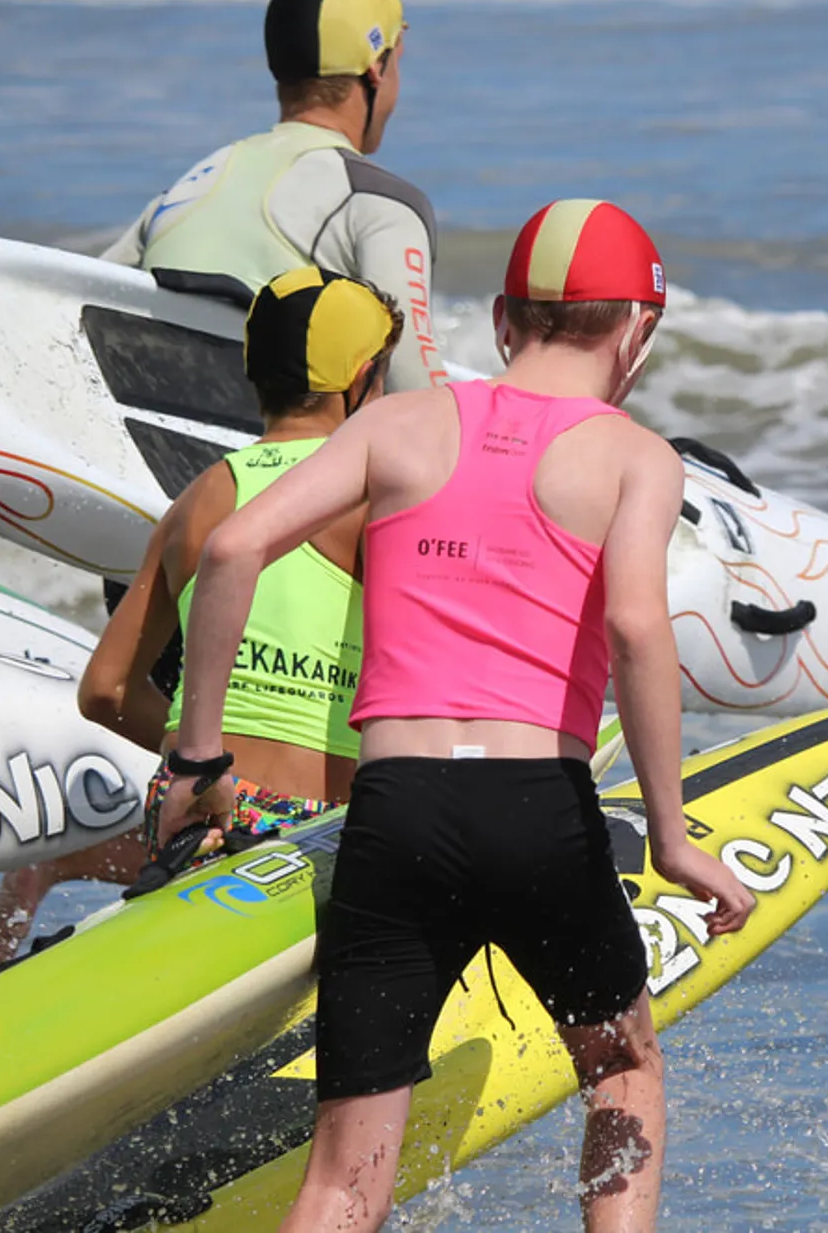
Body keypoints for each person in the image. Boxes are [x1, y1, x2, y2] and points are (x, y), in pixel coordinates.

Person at [166, 199, 754, 1233]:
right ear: (639, 331)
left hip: (397, 809)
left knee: (347, 1174)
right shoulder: (633, 457)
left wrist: (196, 756)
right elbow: (633, 627)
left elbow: (229, 552)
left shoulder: (396, 423)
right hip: (538, 807)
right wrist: (669, 833)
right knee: (620, 1071)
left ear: (501, 320)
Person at [0, 268, 399, 968]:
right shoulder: (368, 495)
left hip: (200, 809)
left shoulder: (198, 498)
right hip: (317, 825)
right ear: (358, 381)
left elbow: (107, 690)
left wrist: (208, 755)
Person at [102, 0, 447, 394]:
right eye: (397, 62)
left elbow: (87, 295)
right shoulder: (382, 202)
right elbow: (416, 391)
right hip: (279, 441)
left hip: (147, 402)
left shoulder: (195, 182)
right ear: (376, 68)